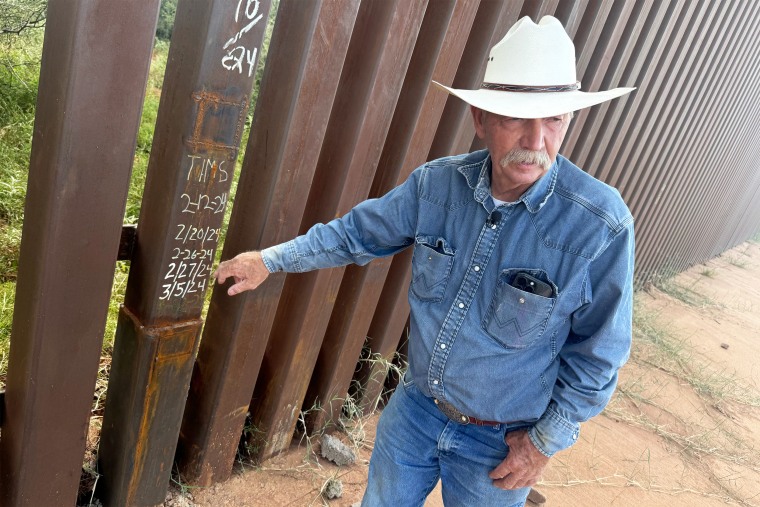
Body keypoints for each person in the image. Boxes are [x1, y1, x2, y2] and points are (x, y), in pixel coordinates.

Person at [214, 15, 635, 507]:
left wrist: (543, 443)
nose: (536, 140)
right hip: (415, 412)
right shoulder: (436, 187)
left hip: (501, 444)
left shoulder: (598, 225)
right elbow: (356, 234)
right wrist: (271, 260)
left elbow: (599, 353)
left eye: (553, 120)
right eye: (516, 118)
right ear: (480, 120)